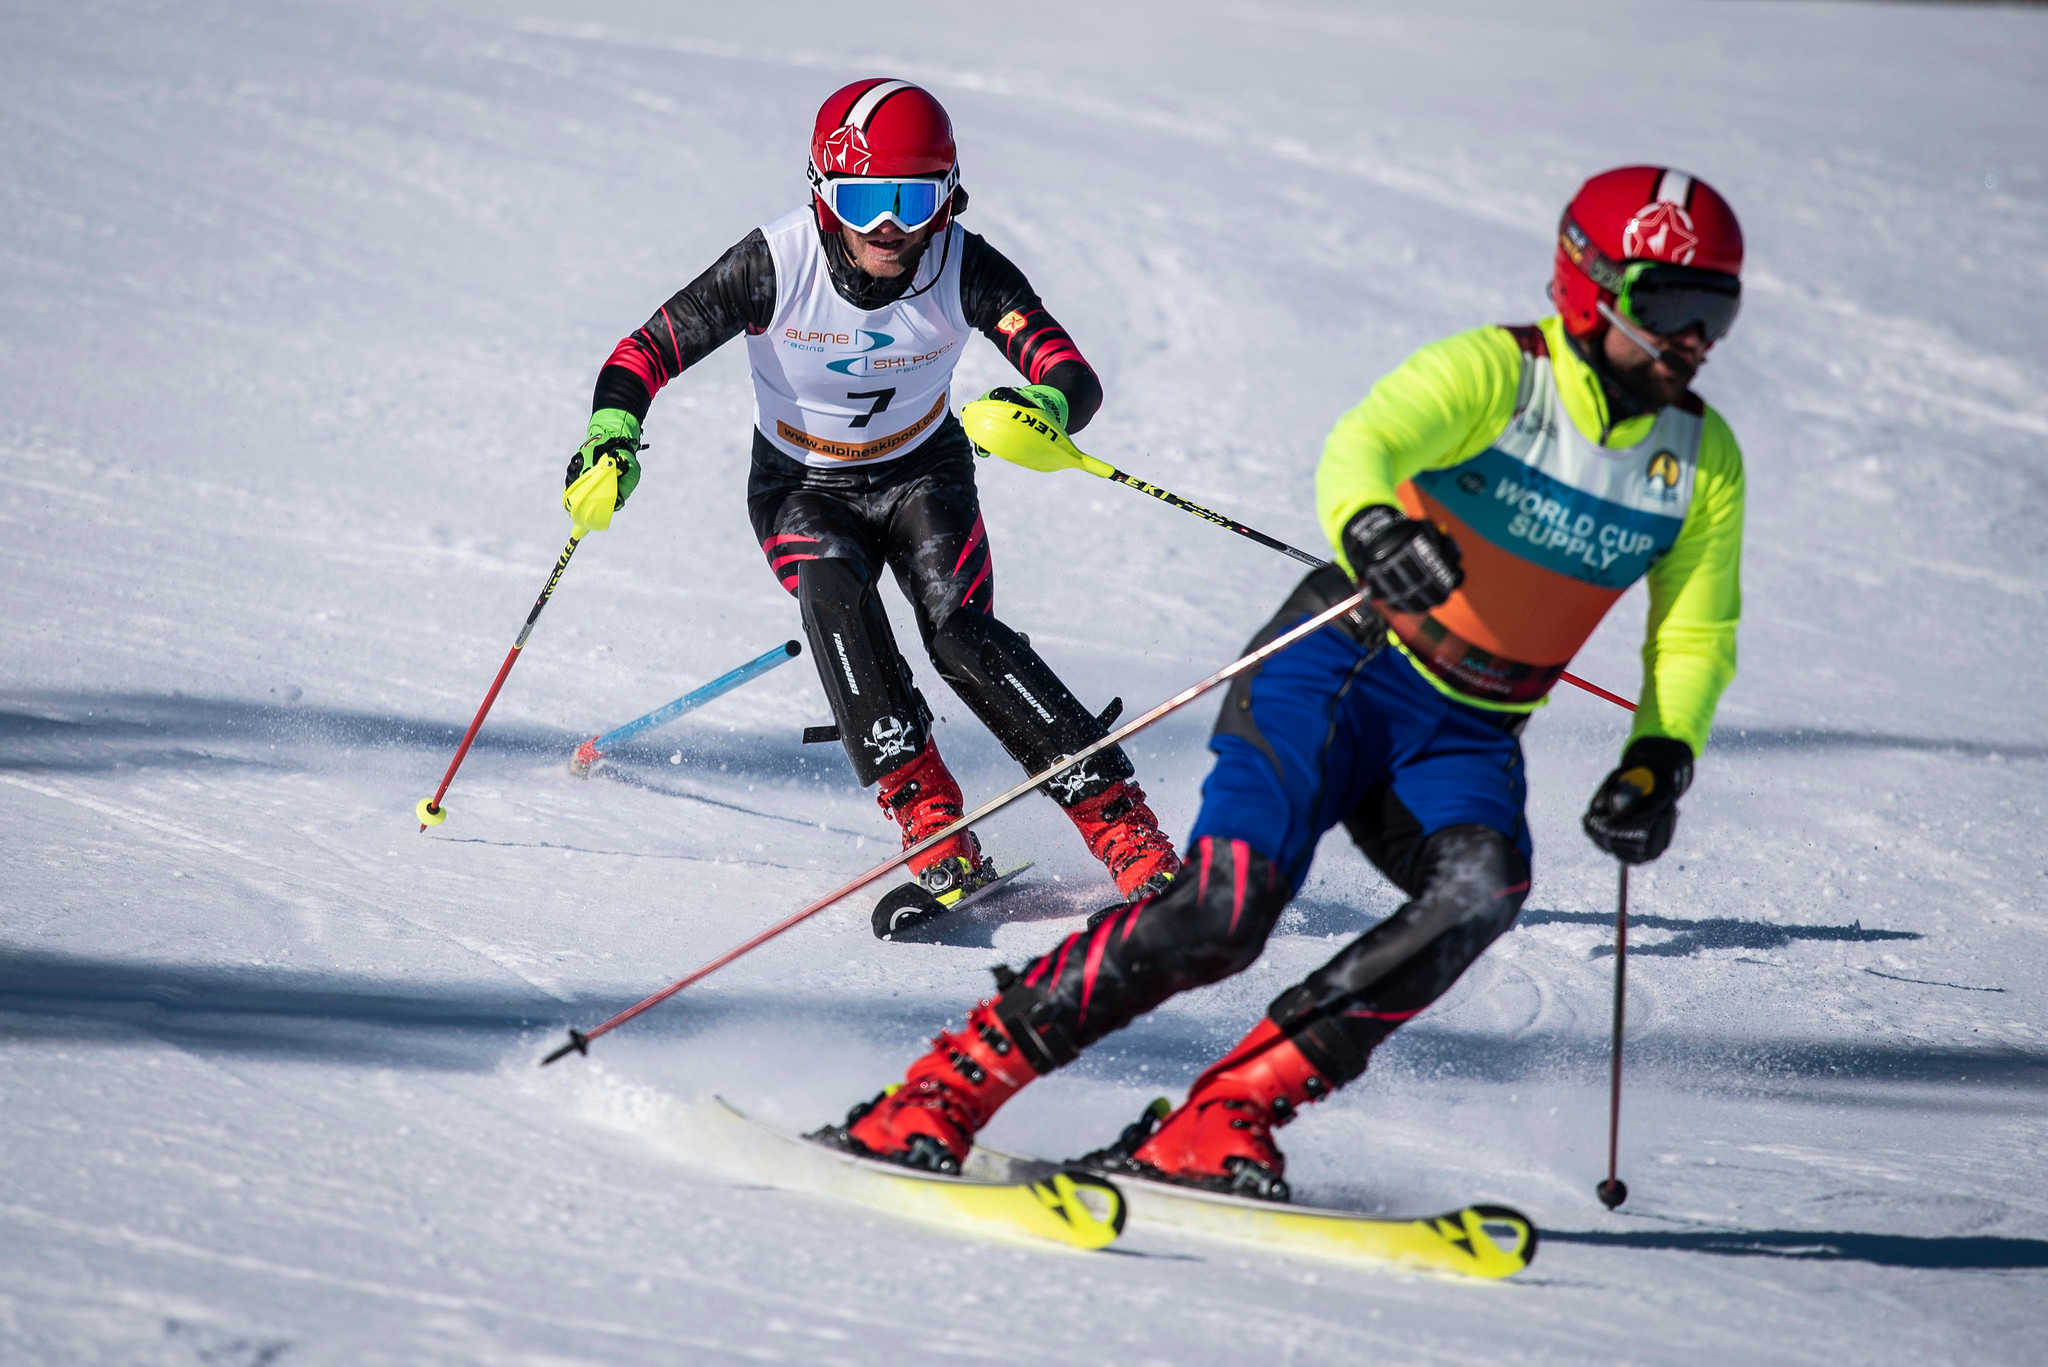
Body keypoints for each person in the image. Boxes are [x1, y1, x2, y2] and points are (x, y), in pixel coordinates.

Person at [826, 165, 1747, 1194]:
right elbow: (1365, 443)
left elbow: (1693, 629)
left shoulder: (1698, 459)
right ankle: (940, 1090)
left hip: (1467, 730)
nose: (1694, 337)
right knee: (1222, 912)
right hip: (1338, 670)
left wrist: (1659, 756)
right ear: (1588, 285)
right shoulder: (1500, 374)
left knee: (1483, 889)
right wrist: (1373, 528)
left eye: (1716, 309)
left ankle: (1223, 1114)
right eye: (1669, 305)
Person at [566, 78, 1180, 904]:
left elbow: (1070, 373)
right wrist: (612, 436)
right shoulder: (773, 263)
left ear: (949, 196)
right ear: (823, 196)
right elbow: (642, 353)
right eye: (862, 200)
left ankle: (1124, 826)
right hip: (800, 484)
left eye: (913, 197)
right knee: (834, 595)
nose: (889, 227)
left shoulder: (965, 264)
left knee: (962, 636)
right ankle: (928, 813)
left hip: (925, 474)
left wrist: (1046, 407)